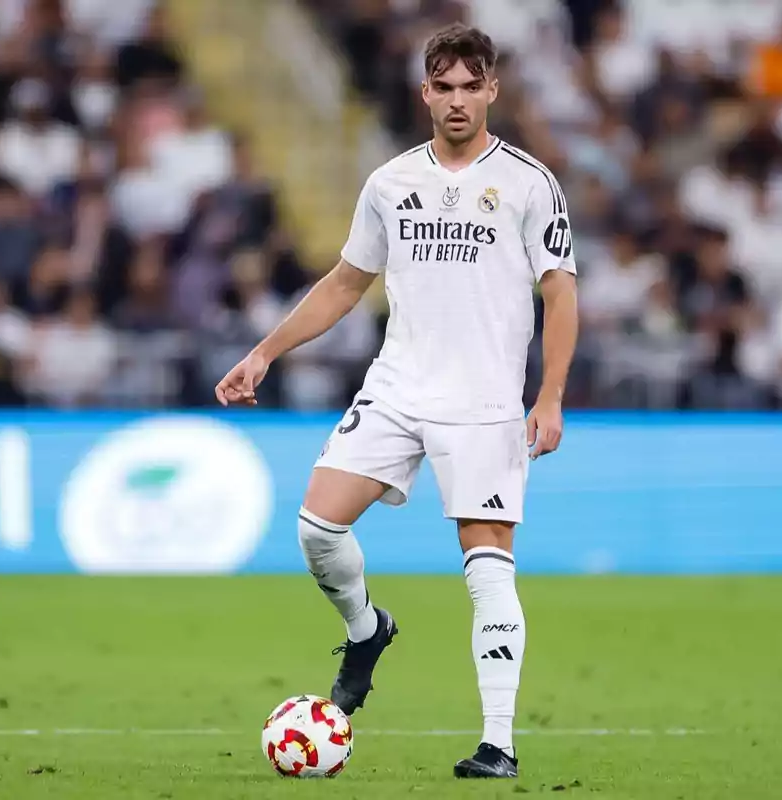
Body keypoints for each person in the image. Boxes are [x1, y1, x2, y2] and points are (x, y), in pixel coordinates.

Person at [215, 23, 578, 780]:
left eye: (468, 87)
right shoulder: (390, 183)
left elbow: (561, 292)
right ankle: (367, 629)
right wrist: (264, 352)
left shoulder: (527, 182)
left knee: (487, 570)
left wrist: (549, 396)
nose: (455, 101)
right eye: (441, 87)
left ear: (491, 90)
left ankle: (499, 743)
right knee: (317, 527)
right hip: (397, 387)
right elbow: (346, 283)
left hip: (482, 403)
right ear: (424, 91)